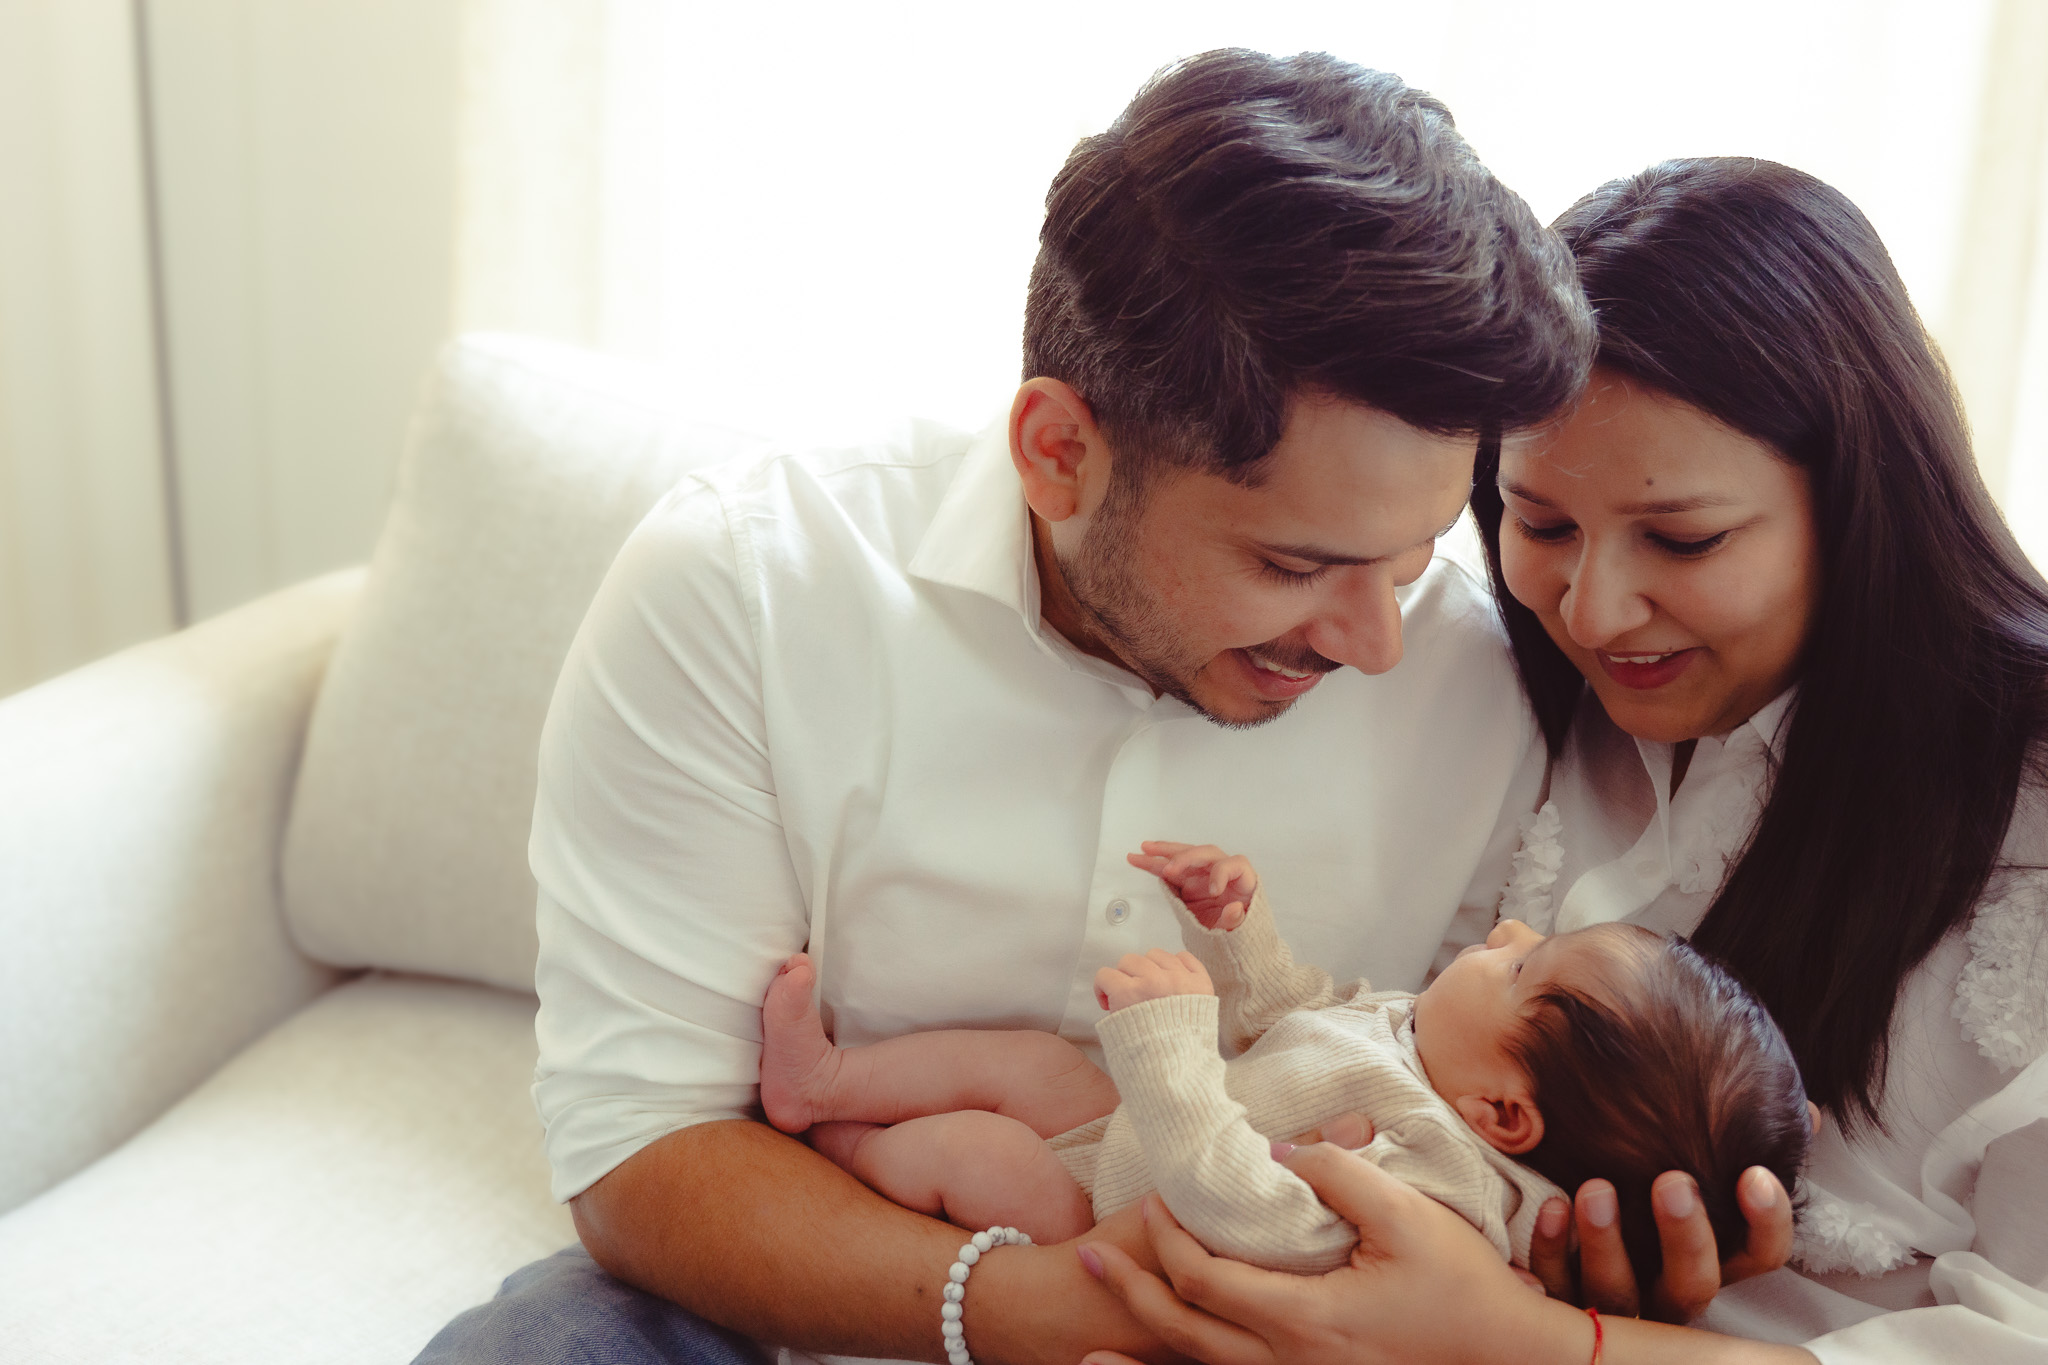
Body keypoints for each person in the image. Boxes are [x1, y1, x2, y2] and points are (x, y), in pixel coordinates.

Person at [414, 48, 1617, 1365]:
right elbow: (642, 1150)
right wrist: (1063, 1310)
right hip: (823, 1289)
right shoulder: (746, 587)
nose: (1379, 643)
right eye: (1293, 565)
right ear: (1058, 452)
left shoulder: (1495, 677)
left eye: (1409, 560)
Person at [1081, 157, 2048, 1363]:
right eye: (1535, 525)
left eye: (1682, 538)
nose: (1589, 613)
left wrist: (1534, 1344)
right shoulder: (1524, 701)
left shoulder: (2019, 813)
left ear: (1859, 499)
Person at [758, 842, 1809, 1286]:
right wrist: (1237, 928)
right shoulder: (1428, 1047)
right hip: (1136, 1140)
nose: (1505, 934)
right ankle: (828, 1085)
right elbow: (1297, 1020)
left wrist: (1172, 1041)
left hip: (1114, 1221)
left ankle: (831, 1154)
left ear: (1502, 1116)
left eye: (1523, 967)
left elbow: (1251, 1213)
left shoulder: (1444, 1180)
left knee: (989, 1152)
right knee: (1033, 1062)